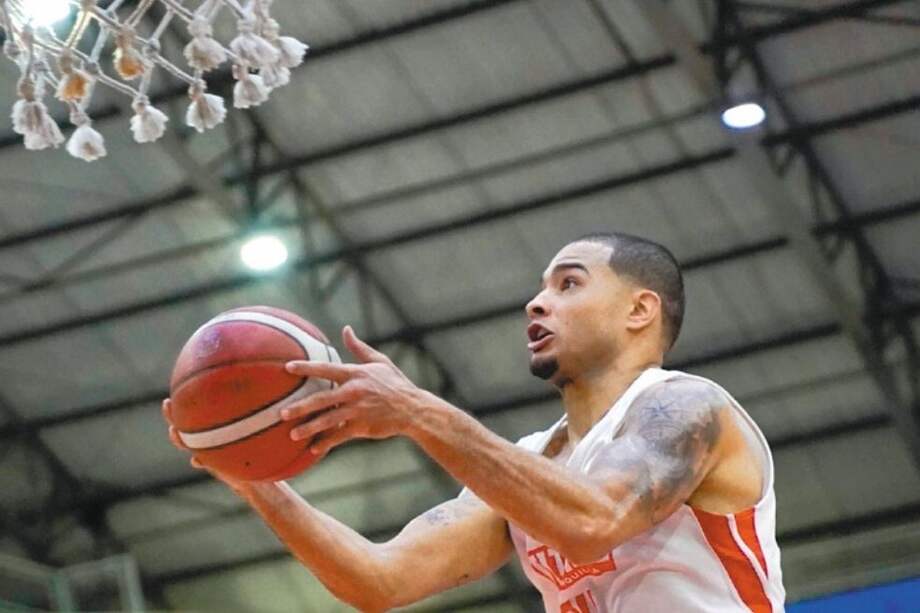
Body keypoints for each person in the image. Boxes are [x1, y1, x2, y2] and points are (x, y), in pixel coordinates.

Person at [164, 232, 786, 612]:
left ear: (639, 310)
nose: (536, 302)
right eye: (540, 289)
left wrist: (416, 409)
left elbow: (594, 519)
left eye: (569, 283)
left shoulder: (687, 406)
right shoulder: (530, 463)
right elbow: (379, 581)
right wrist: (250, 474)